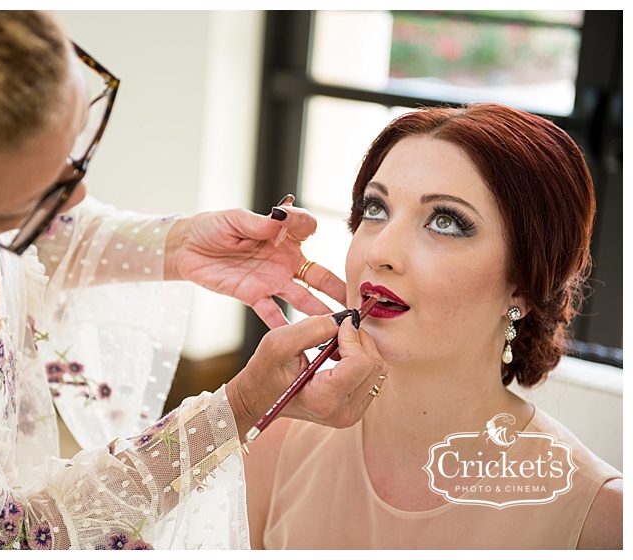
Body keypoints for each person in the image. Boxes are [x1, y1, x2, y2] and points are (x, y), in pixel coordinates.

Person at [0, 11, 386, 549]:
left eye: (73, 154)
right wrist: (239, 407)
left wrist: (181, 243)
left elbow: (57, 233)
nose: (77, 194)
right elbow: (14, 541)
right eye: (34, 195)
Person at [244, 103, 622, 549]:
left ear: (523, 284)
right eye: (376, 209)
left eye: (444, 221)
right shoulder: (269, 440)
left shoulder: (603, 519)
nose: (380, 252)